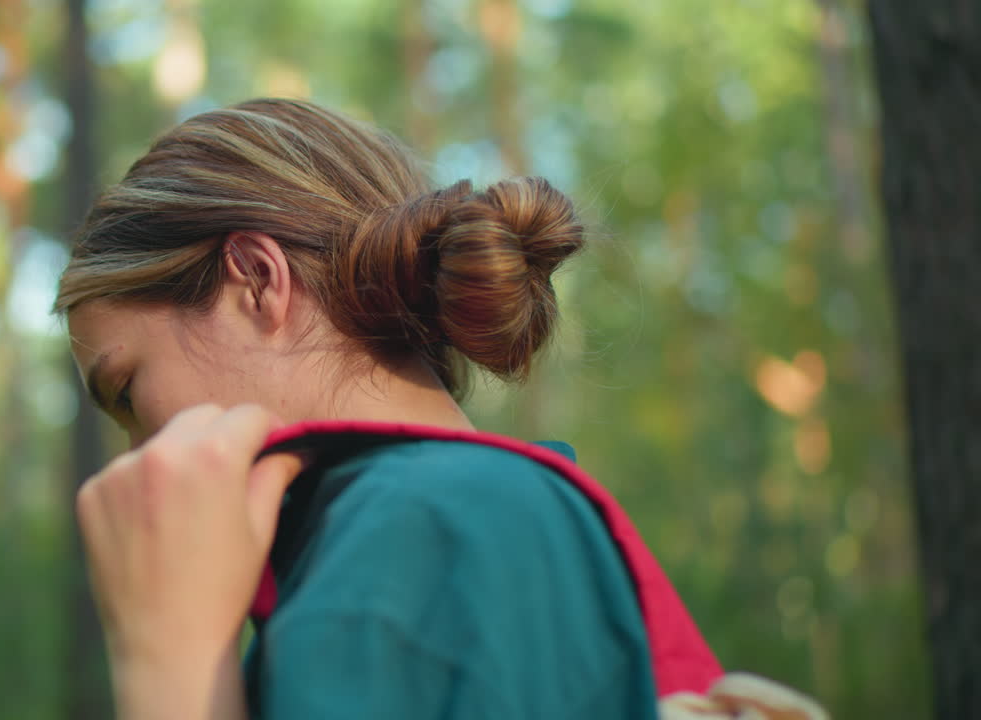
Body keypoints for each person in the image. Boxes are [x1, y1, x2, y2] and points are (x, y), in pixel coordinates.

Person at [58, 98, 697, 720]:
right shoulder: (477, 517)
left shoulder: (422, 529)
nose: (138, 457)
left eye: (127, 392)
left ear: (256, 278)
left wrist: (167, 661)